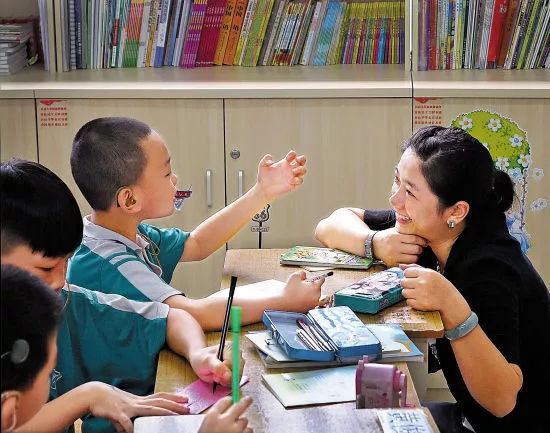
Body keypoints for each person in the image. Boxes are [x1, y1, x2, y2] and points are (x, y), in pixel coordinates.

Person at [315, 126, 550, 433]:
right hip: (470, 417)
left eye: (410, 192)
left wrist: (454, 309)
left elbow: (503, 401)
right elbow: (330, 224)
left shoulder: (488, 270)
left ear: (456, 211)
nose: (395, 199)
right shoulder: (432, 230)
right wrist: (374, 242)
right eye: (397, 179)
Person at [0, 159, 245, 433]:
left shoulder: (65, 304)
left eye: (67, 261)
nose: (60, 279)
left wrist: (199, 353)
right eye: (45, 268)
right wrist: (85, 397)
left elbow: (171, 319)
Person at [68, 117, 326, 330]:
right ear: (130, 199)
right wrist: (286, 301)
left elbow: (197, 243)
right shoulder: (109, 263)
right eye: (167, 173)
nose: (175, 179)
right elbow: (193, 315)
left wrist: (262, 192)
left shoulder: (123, 232)